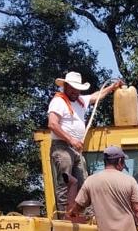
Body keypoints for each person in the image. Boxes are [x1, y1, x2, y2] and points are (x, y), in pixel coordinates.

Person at [48, 72, 123, 213]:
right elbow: (52, 124)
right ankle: (64, 215)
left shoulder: (80, 101)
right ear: (66, 87)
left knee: (84, 182)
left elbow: (96, 96)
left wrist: (111, 88)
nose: (76, 92)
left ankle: (88, 214)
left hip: (76, 149)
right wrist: (70, 139)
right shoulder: (58, 102)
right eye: (73, 88)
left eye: (78, 89)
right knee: (65, 181)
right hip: (62, 147)